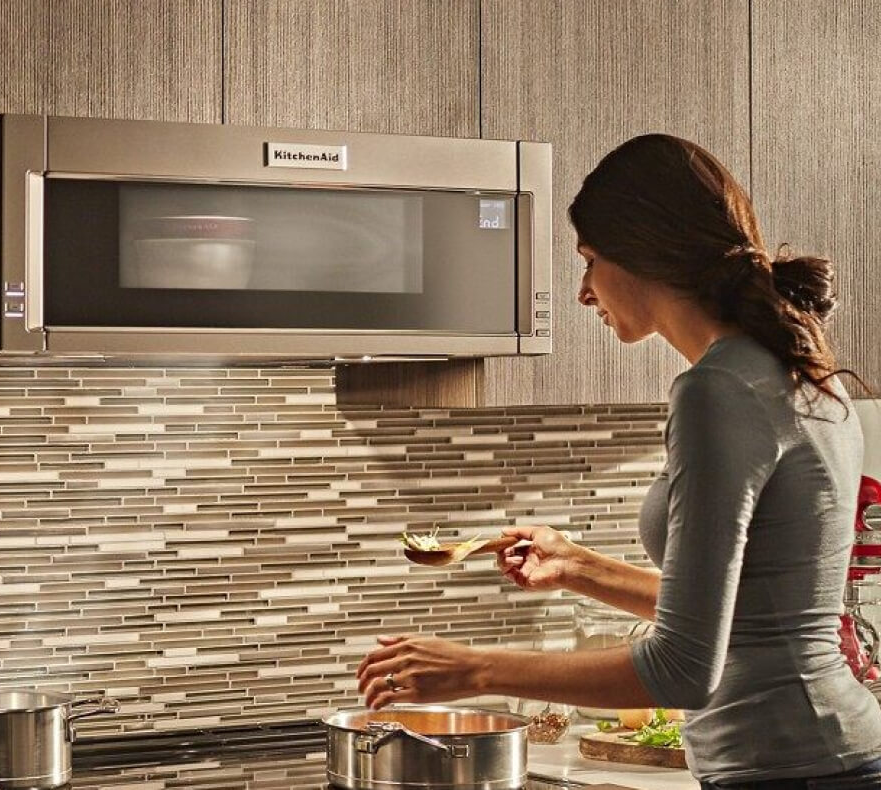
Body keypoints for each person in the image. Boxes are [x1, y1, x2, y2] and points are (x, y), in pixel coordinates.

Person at [354, 133, 881, 789]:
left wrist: (471, 670)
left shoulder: (717, 391)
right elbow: (750, 613)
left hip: (792, 769)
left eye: (589, 259)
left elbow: (683, 668)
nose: (584, 291)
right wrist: (578, 567)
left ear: (640, 254)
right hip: (824, 756)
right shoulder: (797, 365)